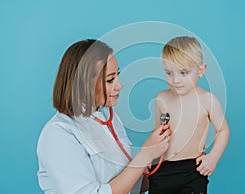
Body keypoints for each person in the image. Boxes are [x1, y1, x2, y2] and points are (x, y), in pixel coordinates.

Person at [36, 39, 171, 194]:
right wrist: (145, 154)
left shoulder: (109, 118)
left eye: (117, 76)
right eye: (110, 79)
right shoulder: (59, 133)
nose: (119, 85)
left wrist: (169, 156)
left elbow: (129, 185)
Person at [148, 36, 230, 194]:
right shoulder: (161, 98)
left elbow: (223, 131)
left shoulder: (208, 100)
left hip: (192, 170)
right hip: (162, 168)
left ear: (201, 70)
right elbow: (157, 132)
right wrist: (149, 157)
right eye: (169, 73)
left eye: (183, 72)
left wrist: (213, 157)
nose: (175, 80)